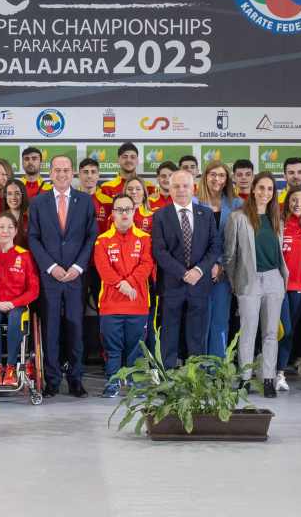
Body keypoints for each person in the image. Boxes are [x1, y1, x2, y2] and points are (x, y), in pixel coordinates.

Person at [28, 155, 98, 397]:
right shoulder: (38, 203)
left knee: (76, 329)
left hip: (76, 277)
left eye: (66, 170)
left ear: (73, 174)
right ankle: (52, 381)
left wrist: (78, 267)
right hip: (50, 278)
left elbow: (91, 237)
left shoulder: (86, 201)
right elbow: (33, 238)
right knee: (51, 330)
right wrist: (50, 267)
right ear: (50, 173)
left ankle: (76, 380)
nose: (61, 174)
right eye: (57, 170)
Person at [224, 172, 288, 397]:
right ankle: (244, 379)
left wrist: (280, 280)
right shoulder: (238, 217)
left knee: (270, 333)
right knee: (248, 332)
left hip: (273, 280)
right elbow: (230, 256)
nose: (265, 193)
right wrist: (235, 283)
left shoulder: (277, 219)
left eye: (270, 189)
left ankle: (268, 378)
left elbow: (279, 255)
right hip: (248, 282)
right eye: (261, 188)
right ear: (253, 189)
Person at [151, 170, 221, 369]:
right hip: (172, 285)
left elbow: (215, 247)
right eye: (176, 186)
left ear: (194, 188)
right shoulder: (160, 216)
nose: (181, 190)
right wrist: (183, 273)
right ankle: (168, 377)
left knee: (196, 335)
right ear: (169, 189)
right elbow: (159, 251)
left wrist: (198, 271)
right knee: (169, 335)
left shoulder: (206, 214)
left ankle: (195, 378)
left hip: (200, 284)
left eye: (185, 186)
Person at [93, 194, 154, 398]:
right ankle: (113, 382)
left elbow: (147, 265)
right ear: (113, 214)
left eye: (128, 209)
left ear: (134, 211)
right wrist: (121, 284)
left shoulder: (145, 239)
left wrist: (130, 283)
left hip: (138, 305)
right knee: (112, 348)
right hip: (111, 306)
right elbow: (103, 268)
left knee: (136, 347)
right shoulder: (102, 241)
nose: (124, 213)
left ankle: (136, 383)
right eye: (119, 210)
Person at [0, 212, 40, 386]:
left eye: (9, 227)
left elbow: (34, 289)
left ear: (16, 231)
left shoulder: (25, 255)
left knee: (15, 318)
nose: (5, 231)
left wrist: (14, 303)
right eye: (1, 227)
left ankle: (11, 368)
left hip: (17, 305)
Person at [197, 160, 241, 360]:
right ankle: (198, 369)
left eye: (221, 175)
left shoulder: (237, 204)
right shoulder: (193, 202)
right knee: (199, 322)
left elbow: (238, 241)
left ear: (227, 179)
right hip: (198, 272)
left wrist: (221, 265)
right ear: (205, 176)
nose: (217, 179)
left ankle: (216, 369)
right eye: (212, 174)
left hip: (224, 273)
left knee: (220, 322)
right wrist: (206, 266)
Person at [277, 187, 301, 391]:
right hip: (279, 286)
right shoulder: (279, 224)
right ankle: (273, 369)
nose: (298, 204)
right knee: (283, 330)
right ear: (287, 201)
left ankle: (280, 373)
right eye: (294, 200)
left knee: (290, 332)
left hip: (299, 287)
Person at [78, 158, 113, 233]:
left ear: (98, 175)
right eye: (85, 172)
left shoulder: (109, 202)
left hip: (101, 244)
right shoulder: (70, 199)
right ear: (79, 175)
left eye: (93, 172)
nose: (89, 176)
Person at [2, 180, 30, 245]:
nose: (13, 197)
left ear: (23, 195)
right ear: (5, 196)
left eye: (17, 193)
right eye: (9, 194)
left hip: (27, 254)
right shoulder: (1, 218)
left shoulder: (30, 217)